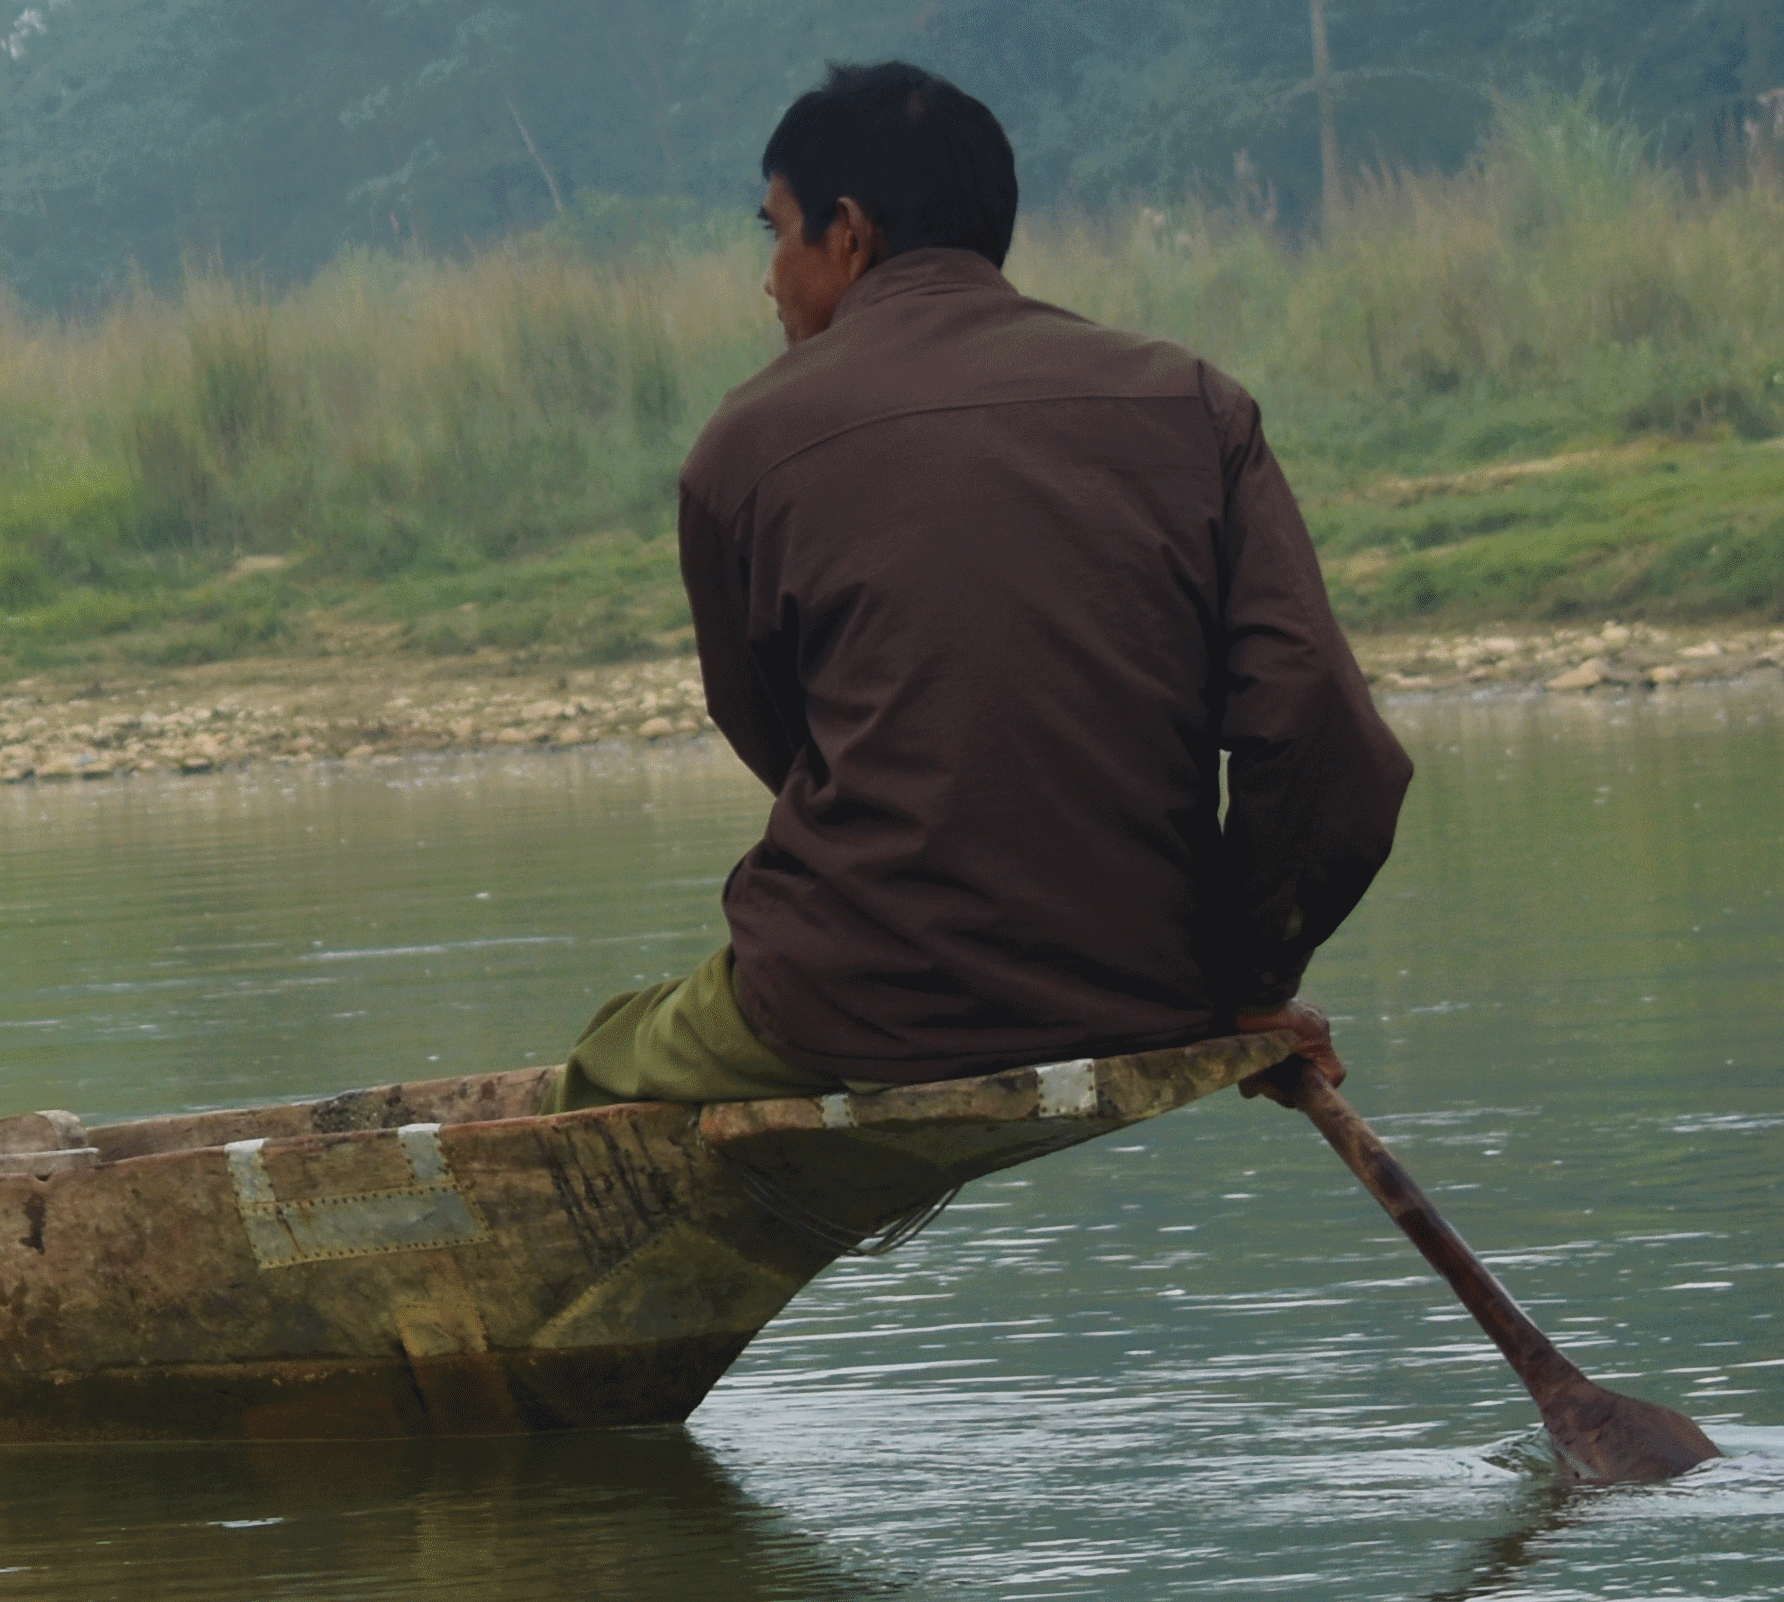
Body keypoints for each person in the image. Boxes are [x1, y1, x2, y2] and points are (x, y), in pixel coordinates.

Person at [554, 61, 1410, 1109]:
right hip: (1154, 990)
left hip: (850, 1001)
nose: (768, 278)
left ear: (851, 234)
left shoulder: (745, 446)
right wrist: (1250, 980)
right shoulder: (1195, 405)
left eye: (775, 232)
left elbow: (780, 738)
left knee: (602, 1073)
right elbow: (1322, 731)